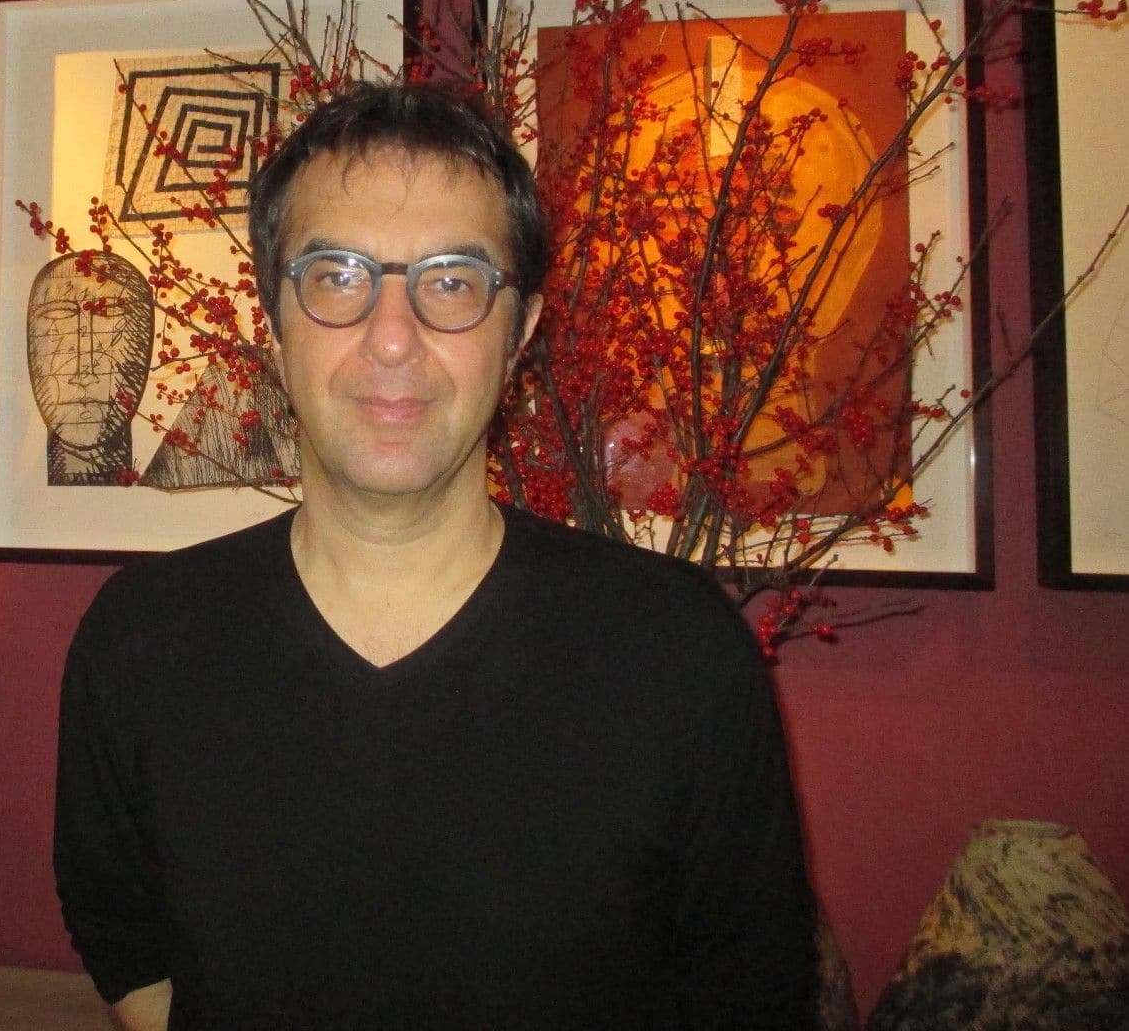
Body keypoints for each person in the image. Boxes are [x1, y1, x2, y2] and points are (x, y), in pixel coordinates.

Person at [54, 81, 819, 1030]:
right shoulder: (141, 641)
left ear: (521, 332)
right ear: (273, 321)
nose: (392, 338)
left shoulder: (676, 651)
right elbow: (122, 936)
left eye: (452, 281)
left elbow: (752, 990)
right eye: (337, 276)